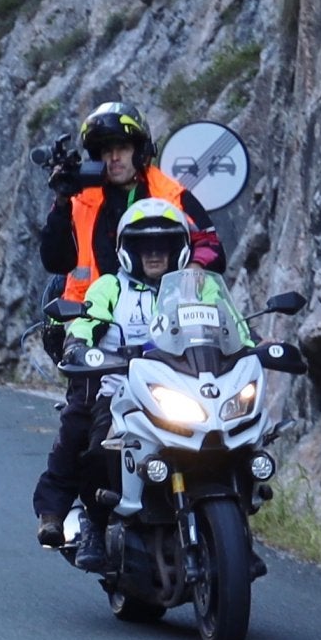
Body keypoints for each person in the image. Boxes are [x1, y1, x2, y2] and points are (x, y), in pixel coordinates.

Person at [31, 101, 224, 549]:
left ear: (141, 150)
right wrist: (60, 200)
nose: (113, 158)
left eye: (122, 147)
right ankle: (77, 519)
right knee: (83, 423)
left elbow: (213, 247)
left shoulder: (169, 192)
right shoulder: (80, 194)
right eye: (104, 150)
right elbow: (55, 259)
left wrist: (190, 272)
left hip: (171, 326)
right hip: (96, 325)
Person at [61, 199, 197, 572]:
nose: (154, 253)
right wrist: (79, 343)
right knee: (99, 444)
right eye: (144, 245)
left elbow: (230, 328)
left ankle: (231, 521)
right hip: (124, 387)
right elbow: (87, 321)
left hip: (190, 388)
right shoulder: (109, 286)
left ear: (178, 249)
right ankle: (94, 521)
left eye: (164, 245)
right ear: (127, 250)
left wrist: (255, 346)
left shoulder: (197, 288)